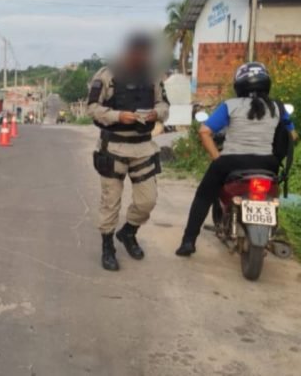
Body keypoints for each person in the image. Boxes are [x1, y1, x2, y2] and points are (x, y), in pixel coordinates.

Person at [176, 62, 296, 256]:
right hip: (267, 163)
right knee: (272, 193)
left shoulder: (230, 105)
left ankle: (188, 241)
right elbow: (292, 137)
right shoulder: (277, 107)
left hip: (232, 161)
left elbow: (204, 131)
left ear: (239, 85)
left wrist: (217, 158)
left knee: (203, 196)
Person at [88, 33, 170, 271]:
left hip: (143, 147)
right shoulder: (107, 75)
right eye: (138, 54)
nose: (141, 58)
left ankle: (128, 232)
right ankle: (107, 247)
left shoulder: (152, 76)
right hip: (113, 147)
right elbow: (92, 108)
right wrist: (117, 116)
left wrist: (157, 114)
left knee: (147, 201)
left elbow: (164, 103)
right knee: (110, 202)